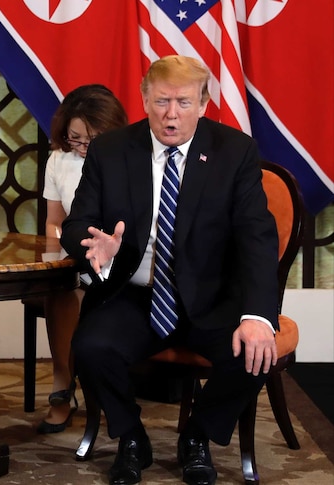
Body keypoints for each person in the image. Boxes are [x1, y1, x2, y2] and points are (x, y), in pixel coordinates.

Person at [62, 55, 279, 485]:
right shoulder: (111, 150)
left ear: (203, 103)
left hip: (211, 297)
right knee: (91, 346)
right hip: (135, 292)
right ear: (144, 100)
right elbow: (75, 224)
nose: (171, 114)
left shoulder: (234, 151)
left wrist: (258, 316)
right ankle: (131, 437)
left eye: (183, 102)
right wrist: (95, 245)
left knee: (254, 354)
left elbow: (257, 238)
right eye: (161, 101)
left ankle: (197, 437)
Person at [36, 84, 127, 434]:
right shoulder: (59, 160)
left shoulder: (131, 158)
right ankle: (63, 384)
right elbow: (54, 222)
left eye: (93, 139)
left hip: (122, 255)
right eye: (76, 138)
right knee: (61, 288)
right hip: (77, 254)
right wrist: (59, 256)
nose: (84, 147)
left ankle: (106, 387)